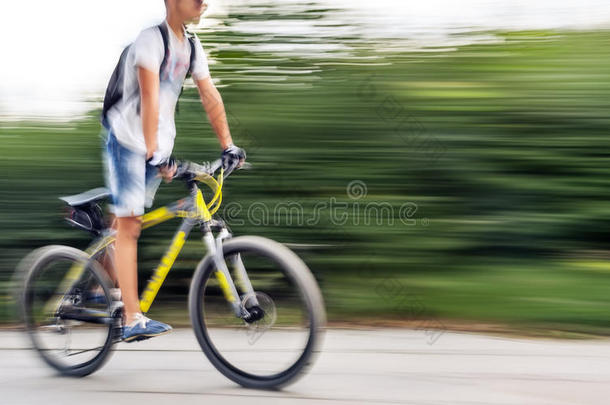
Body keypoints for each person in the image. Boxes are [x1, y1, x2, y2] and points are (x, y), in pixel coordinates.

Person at [102, 0, 245, 342]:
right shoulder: (150, 39)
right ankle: (131, 319)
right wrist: (152, 151)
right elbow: (150, 96)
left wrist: (228, 145)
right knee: (131, 225)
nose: (203, 3)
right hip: (127, 140)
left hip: (156, 146)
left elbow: (209, 94)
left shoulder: (193, 47)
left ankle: (99, 285)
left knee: (123, 222)